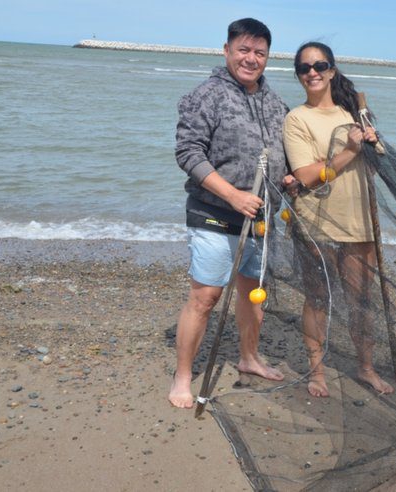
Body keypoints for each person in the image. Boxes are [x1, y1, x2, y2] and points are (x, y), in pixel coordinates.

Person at [169, 18, 287, 409]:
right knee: (205, 295)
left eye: (259, 53)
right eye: (244, 50)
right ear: (227, 50)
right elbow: (188, 153)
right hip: (214, 212)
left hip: (260, 219)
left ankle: (249, 358)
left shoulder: (275, 102)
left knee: (253, 296)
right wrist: (233, 195)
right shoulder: (206, 95)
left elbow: (289, 155)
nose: (251, 59)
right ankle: (183, 376)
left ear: (268, 57)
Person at [283, 41, 394, 398]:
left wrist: (375, 145)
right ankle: (316, 371)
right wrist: (349, 150)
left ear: (332, 70)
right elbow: (305, 175)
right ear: (299, 76)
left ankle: (366, 368)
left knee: (362, 300)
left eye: (319, 65)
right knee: (318, 298)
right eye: (304, 68)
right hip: (317, 224)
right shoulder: (297, 119)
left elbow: (377, 166)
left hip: (360, 222)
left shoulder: (355, 114)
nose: (312, 72)